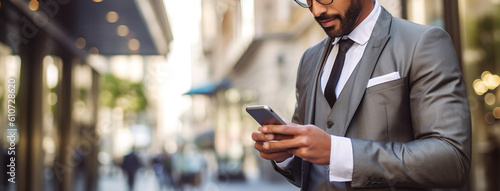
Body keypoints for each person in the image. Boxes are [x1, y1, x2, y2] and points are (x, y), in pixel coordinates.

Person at [251, 0, 471, 190]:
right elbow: (310, 173)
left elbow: (451, 159)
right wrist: (286, 156)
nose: (316, 10)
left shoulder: (421, 43)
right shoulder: (309, 59)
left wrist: (339, 153)